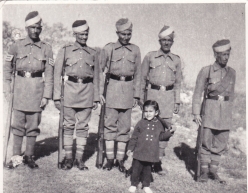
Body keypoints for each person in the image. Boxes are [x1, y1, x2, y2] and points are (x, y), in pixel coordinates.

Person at [4, 11, 54, 169]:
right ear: (26, 28)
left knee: (33, 126)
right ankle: (16, 157)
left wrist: (46, 96)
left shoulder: (46, 48)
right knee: (17, 126)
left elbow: (50, 75)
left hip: (37, 92)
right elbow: (6, 71)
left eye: (38, 28)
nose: (35, 31)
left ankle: (29, 156)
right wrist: (7, 91)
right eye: (32, 27)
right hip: (19, 91)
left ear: (41, 29)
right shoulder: (15, 46)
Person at [53, 20, 99, 170]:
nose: (84, 37)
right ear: (74, 34)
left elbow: (97, 77)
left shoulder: (93, 53)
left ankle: (79, 159)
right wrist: (56, 96)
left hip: (87, 91)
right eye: (81, 34)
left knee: (83, 127)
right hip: (69, 92)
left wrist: (96, 98)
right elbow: (56, 75)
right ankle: (68, 158)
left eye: (86, 34)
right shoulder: (65, 51)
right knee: (68, 126)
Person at [99, 18, 141, 172]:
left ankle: (120, 160)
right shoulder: (109, 49)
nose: (126, 37)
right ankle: (109, 160)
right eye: (123, 34)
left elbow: (138, 74)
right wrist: (99, 93)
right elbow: (99, 70)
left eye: (128, 34)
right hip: (112, 90)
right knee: (109, 126)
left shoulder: (135, 50)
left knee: (124, 127)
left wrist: (136, 95)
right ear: (117, 33)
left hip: (128, 91)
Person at [192, 39, 236, 183]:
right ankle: (204, 172)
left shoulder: (232, 73)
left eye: (228, 54)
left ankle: (213, 172)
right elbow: (197, 92)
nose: (226, 57)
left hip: (225, 112)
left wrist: (230, 114)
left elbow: (232, 95)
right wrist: (196, 113)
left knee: (221, 141)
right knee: (206, 140)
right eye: (223, 54)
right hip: (210, 109)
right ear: (215, 55)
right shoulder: (207, 70)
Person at [140, 25, 182, 174]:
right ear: (159, 40)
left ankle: (157, 161)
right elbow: (142, 78)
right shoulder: (150, 56)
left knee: (165, 129)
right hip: (152, 96)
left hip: (168, 99)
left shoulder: (176, 60)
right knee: (148, 128)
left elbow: (177, 83)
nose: (166, 43)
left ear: (172, 42)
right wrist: (141, 98)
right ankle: (145, 160)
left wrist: (177, 101)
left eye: (169, 40)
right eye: (164, 40)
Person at [127, 100, 173, 193]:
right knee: (136, 169)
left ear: (156, 112)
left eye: (150, 111)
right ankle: (133, 184)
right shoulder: (140, 123)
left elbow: (161, 137)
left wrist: (169, 133)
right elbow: (134, 137)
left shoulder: (159, 124)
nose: (148, 114)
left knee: (147, 170)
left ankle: (146, 185)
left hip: (150, 152)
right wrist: (130, 148)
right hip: (139, 151)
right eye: (146, 111)